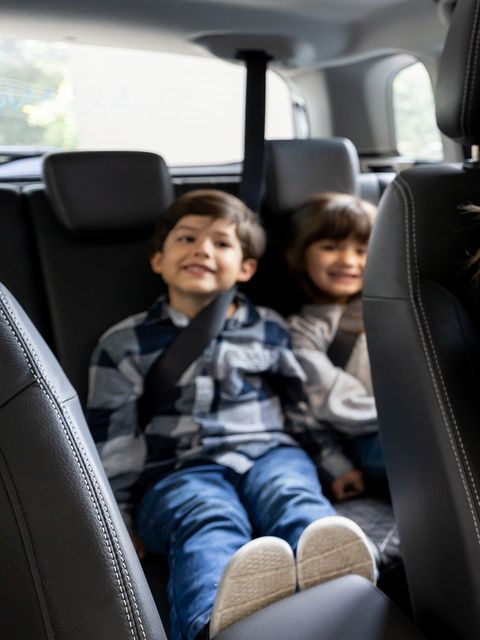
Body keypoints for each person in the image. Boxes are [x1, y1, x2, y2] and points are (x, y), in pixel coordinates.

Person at [87, 189, 376, 640]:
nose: (203, 250)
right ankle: (213, 624)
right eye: (187, 239)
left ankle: (342, 592)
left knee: (293, 496)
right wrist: (117, 519)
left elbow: (297, 408)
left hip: (270, 453)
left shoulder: (270, 328)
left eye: (221, 243)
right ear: (158, 259)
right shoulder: (122, 343)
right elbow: (114, 439)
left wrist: (333, 463)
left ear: (246, 268)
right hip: (179, 470)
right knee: (208, 520)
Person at [286, 192, 385, 491]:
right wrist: (418, 418)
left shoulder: (393, 310)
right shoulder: (301, 330)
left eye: (362, 250)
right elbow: (334, 402)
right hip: (365, 437)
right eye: (330, 248)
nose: (348, 261)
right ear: (299, 255)